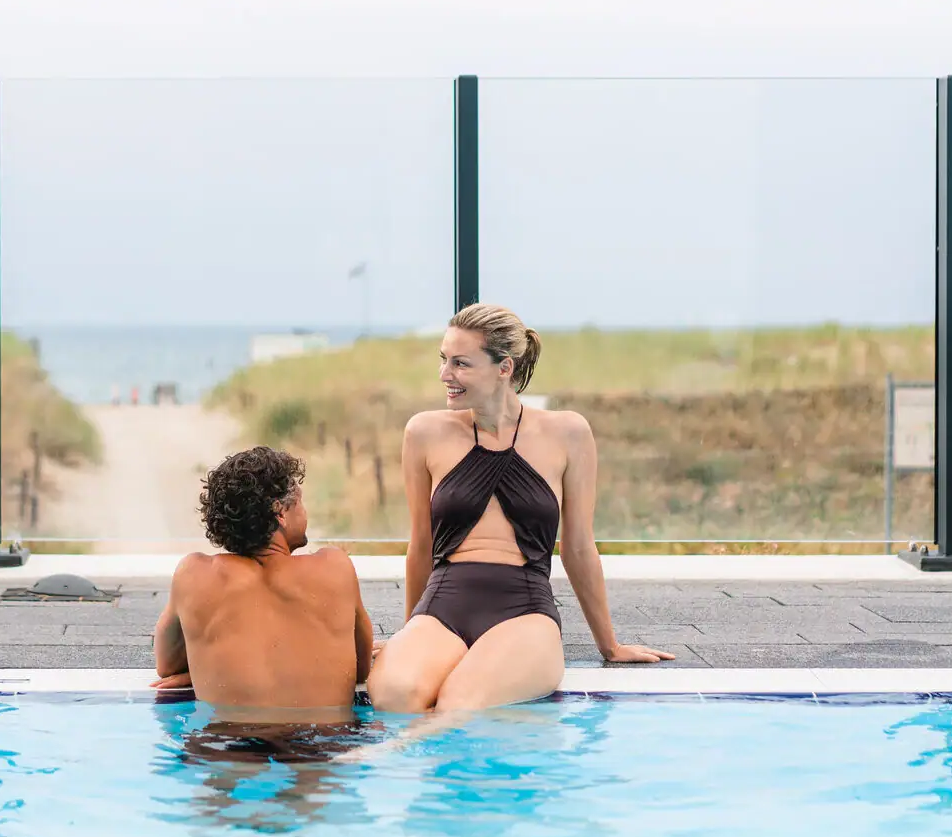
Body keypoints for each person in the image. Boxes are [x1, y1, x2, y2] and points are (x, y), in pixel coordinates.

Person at [367, 304, 672, 713]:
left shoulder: (567, 433)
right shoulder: (424, 432)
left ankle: (390, 754)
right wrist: (412, 631)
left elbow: (578, 548)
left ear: (503, 367)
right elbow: (420, 545)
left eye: (460, 363)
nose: (445, 375)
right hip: (444, 604)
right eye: (443, 360)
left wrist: (610, 645)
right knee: (395, 696)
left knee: (459, 702)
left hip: (524, 609)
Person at [152, 446, 374, 712]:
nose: (305, 512)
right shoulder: (334, 567)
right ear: (280, 511)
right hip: (320, 748)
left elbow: (166, 666)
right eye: (300, 502)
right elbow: (360, 669)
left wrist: (213, 667)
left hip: (226, 749)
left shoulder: (194, 575)